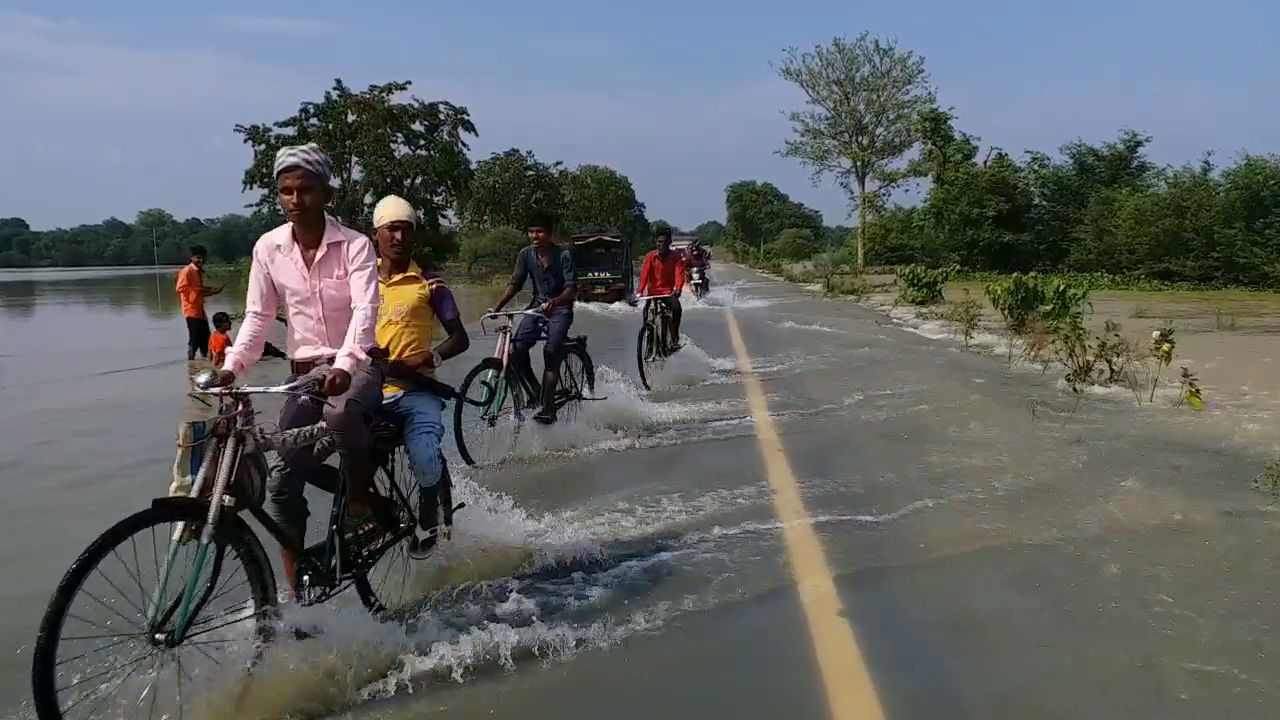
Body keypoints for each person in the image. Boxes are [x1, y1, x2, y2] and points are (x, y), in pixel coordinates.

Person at [212, 142, 384, 592]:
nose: (294, 200)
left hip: (357, 364)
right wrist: (234, 368)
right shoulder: (268, 248)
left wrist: (346, 364)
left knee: (341, 412)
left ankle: (361, 499)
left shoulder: (356, 246)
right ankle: (294, 592)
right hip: (303, 372)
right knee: (284, 478)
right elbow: (258, 316)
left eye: (305, 189)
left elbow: (366, 311)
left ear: (326, 193)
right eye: (285, 191)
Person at [371, 194, 469, 555]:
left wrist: (431, 356)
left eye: (405, 230)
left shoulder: (430, 283)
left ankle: (428, 512)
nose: (398, 238)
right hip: (371, 389)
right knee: (352, 454)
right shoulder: (360, 282)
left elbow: (460, 338)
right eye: (390, 230)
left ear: (413, 237)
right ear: (376, 235)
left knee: (425, 457)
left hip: (417, 391)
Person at [489, 211, 576, 425]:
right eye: (531, 232)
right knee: (516, 350)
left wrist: (555, 302)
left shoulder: (564, 255)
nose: (534, 236)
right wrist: (497, 307)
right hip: (537, 307)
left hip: (560, 309)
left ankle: (548, 409)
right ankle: (536, 390)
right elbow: (516, 283)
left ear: (549, 233)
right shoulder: (525, 254)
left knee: (551, 351)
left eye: (539, 231)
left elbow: (571, 289)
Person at [637, 228, 687, 348]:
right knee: (646, 315)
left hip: (668, 294)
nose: (661, 245)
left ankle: (674, 338)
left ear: (669, 242)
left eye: (664, 242)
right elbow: (644, 275)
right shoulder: (650, 257)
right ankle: (649, 340)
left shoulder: (676, 257)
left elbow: (679, 274)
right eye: (659, 242)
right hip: (653, 293)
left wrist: (678, 289)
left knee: (677, 308)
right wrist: (639, 292)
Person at [175, 245, 222, 360]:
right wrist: (201, 289)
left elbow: (199, 292)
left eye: (202, 258)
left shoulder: (197, 272)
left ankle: (204, 361)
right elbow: (180, 289)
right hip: (191, 310)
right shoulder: (187, 271)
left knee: (206, 337)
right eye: (198, 258)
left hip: (200, 310)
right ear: (192, 258)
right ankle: (190, 361)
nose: (201, 260)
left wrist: (213, 292)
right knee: (195, 337)